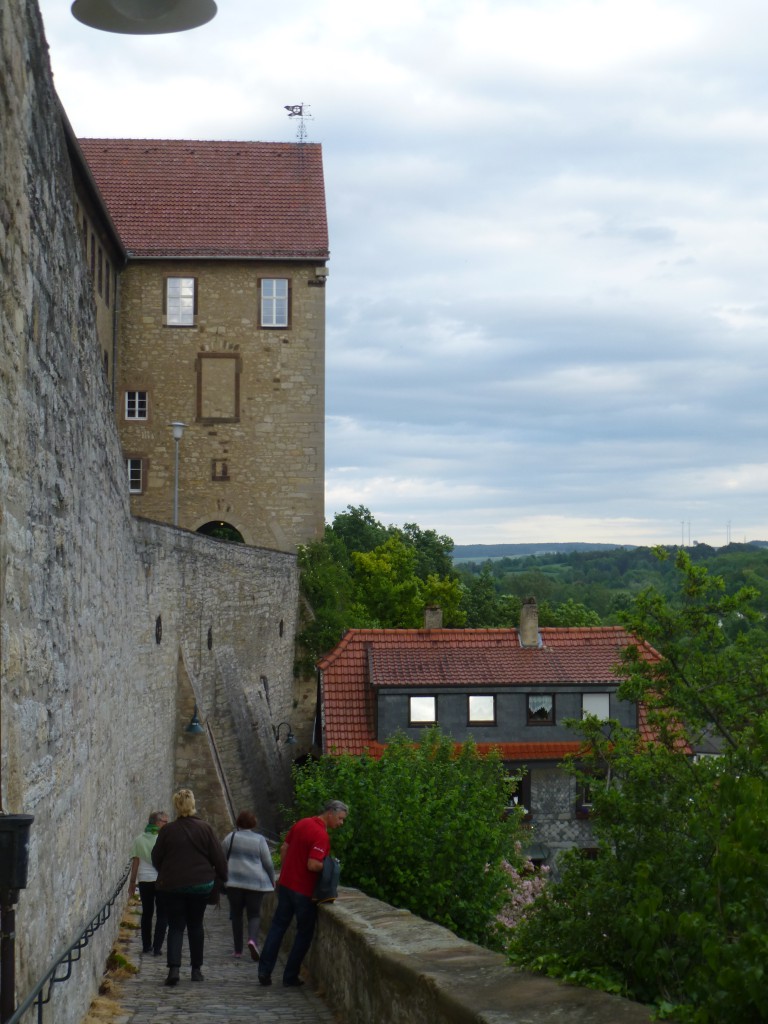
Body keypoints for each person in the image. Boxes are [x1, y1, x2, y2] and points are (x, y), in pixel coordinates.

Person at [258, 799, 348, 988]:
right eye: (340, 819)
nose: (341, 823)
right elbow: (313, 864)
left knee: (277, 927)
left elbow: (284, 848)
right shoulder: (321, 835)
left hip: (286, 885)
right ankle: (290, 976)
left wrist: (286, 872)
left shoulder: (301, 823)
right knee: (304, 933)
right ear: (330, 813)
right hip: (303, 891)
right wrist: (331, 866)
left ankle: (264, 971)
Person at [151, 788, 228, 986]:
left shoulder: (167, 830)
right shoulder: (205, 828)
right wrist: (223, 878)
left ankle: (174, 969)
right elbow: (218, 858)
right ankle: (196, 970)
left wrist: (166, 871)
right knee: (195, 924)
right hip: (200, 884)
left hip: (173, 884)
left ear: (176, 806)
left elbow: (156, 857)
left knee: (176, 926)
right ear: (192, 804)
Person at [221, 810, 276, 960]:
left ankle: (238, 950)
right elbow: (268, 863)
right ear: (253, 824)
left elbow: (221, 858)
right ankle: (252, 940)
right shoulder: (259, 840)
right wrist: (272, 880)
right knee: (254, 914)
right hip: (255, 883)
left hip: (234, 883)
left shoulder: (230, 838)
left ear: (238, 822)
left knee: (236, 916)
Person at [127, 810, 169, 956]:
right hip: (162, 880)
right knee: (163, 914)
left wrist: (132, 882)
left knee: (147, 913)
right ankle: (157, 948)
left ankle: (146, 946)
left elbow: (136, 862)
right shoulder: (164, 839)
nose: (167, 824)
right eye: (165, 821)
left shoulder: (139, 839)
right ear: (157, 823)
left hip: (144, 879)